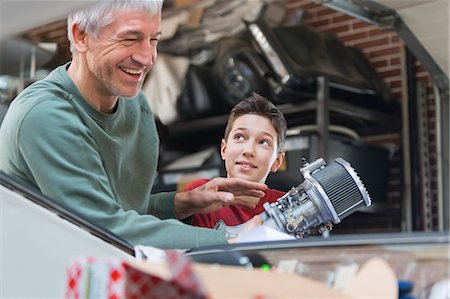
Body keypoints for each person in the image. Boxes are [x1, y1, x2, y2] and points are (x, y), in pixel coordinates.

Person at [0, 0, 268, 249]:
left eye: (153, 40)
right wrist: (229, 239)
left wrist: (182, 203)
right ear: (82, 36)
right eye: (130, 39)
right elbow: (102, 227)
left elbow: (124, 213)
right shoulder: (45, 115)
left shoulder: (134, 105)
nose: (147, 57)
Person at [185, 93, 287, 230]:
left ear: (277, 161)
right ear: (224, 149)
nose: (248, 151)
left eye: (263, 142)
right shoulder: (201, 193)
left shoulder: (288, 205)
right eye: (239, 137)